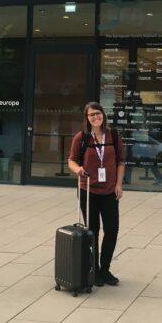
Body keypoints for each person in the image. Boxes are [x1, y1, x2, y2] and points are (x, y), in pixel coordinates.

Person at [68, 102, 125, 287]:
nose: (95, 117)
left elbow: (121, 162)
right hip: (88, 191)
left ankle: (105, 269)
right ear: (87, 118)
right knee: (92, 231)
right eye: (91, 115)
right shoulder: (82, 138)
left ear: (103, 115)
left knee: (112, 230)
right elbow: (71, 160)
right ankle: (93, 271)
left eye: (98, 113)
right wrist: (78, 169)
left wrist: (118, 184)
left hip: (109, 191)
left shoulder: (114, 135)